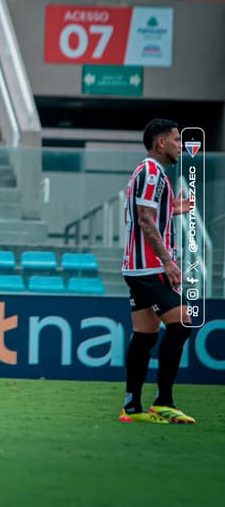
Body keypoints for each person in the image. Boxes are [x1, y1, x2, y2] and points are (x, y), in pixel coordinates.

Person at [119, 118, 194, 424]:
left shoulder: (148, 172)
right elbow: (145, 219)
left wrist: (173, 208)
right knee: (182, 323)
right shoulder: (152, 172)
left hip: (136, 268)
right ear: (160, 142)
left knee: (145, 335)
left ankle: (132, 407)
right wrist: (167, 260)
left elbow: (150, 213)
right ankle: (163, 401)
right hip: (149, 267)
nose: (180, 145)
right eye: (176, 140)